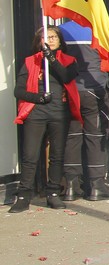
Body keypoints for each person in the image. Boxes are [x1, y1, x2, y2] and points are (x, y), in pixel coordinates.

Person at [13, 28, 79, 212]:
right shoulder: (30, 61)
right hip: (36, 112)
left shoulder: (70, 60)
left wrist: (51, 58)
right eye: (46, 37)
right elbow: (18, 91)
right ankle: (23, 195)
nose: (50, 40)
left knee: (57, 155)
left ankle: (53, 193)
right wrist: (38, 98)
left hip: (59, 112)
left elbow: (66, 77)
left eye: (53, 37)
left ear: (59, 40)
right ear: (39, 41)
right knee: (30, 155)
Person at [59, 20, 109, 203]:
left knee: (73, 137)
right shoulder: (99, 30)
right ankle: (96, 185)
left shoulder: (61, 30)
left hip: (70, 90)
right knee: (95, 137)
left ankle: (71, 186)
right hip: (94, 89)